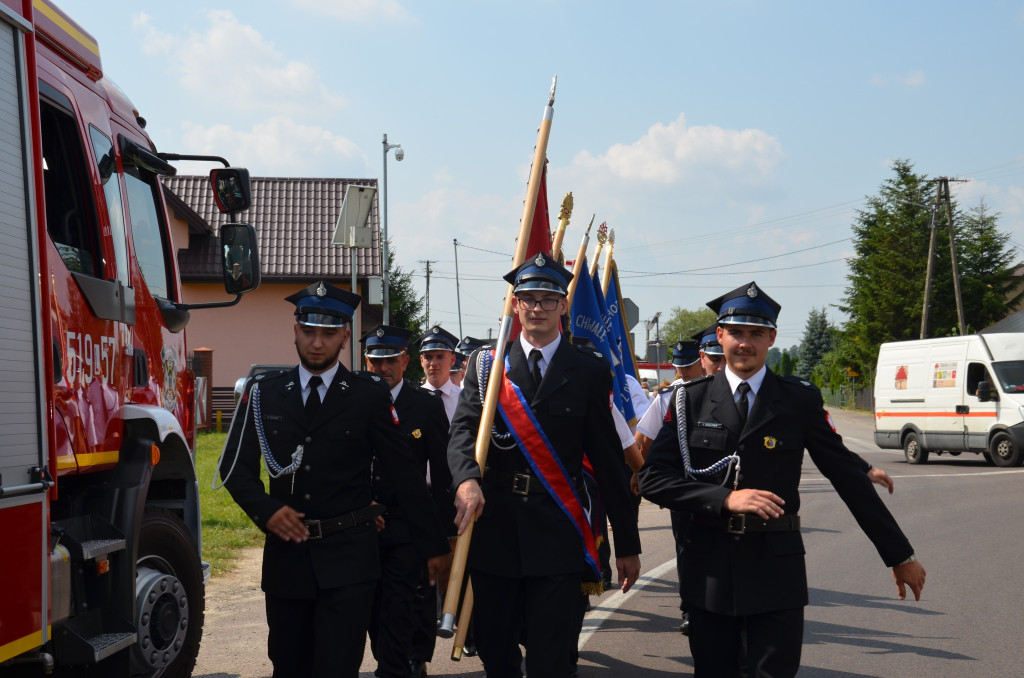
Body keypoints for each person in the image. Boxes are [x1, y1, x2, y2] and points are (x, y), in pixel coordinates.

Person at [639, 281, 926, 678]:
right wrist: (723, 500)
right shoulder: (689, 400)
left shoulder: (798, 400)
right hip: (709, 570)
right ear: (720, 335)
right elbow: (652, 478)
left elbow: (847, 478)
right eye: (736, 332)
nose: (745, 343)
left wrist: (899, 556)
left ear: (771, 338)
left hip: (776, 571)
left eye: (756, 333)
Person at [219, 281, 451, 678]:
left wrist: (435, 544)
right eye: (308, 331)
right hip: (288, 560)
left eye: (328, 334)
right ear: (295, 331)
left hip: (349, 560)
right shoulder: (265, 393)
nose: (316, 343)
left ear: (345, 337)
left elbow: (405, 475)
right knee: (289, 665)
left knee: (337, 666)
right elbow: (234, 470)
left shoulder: (368, 395)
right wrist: (268, 513)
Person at [449, 252, 642, 678]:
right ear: (515, 305)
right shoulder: (488, 366)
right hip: (495, 526)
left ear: (563, 306)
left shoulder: (590, 371)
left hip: (556, 532)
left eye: (548, 299)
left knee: (551, 657)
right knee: (496, 651)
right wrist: (465, 480)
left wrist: (627, 543)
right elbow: (462, 432)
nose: (537, 307)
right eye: (528, 298)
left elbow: (610, 462)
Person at [361, 325, 455, 678]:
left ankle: (399, 665)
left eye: (389, 361)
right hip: (362, 523)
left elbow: (443, 473)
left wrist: (444, 534)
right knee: (370, 607)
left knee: (401, 602)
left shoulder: (425, 405)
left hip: (406, 524)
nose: (382, 369)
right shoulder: (354, 400)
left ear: (404, 361)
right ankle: (392, 657)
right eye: (374, 361)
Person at [417, 325, 461, 424]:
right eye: (428, 357)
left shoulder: (463, 399)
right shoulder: (412, 399)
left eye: (440, 357)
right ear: (421, 360)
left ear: (452, 360)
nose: (433, 363)